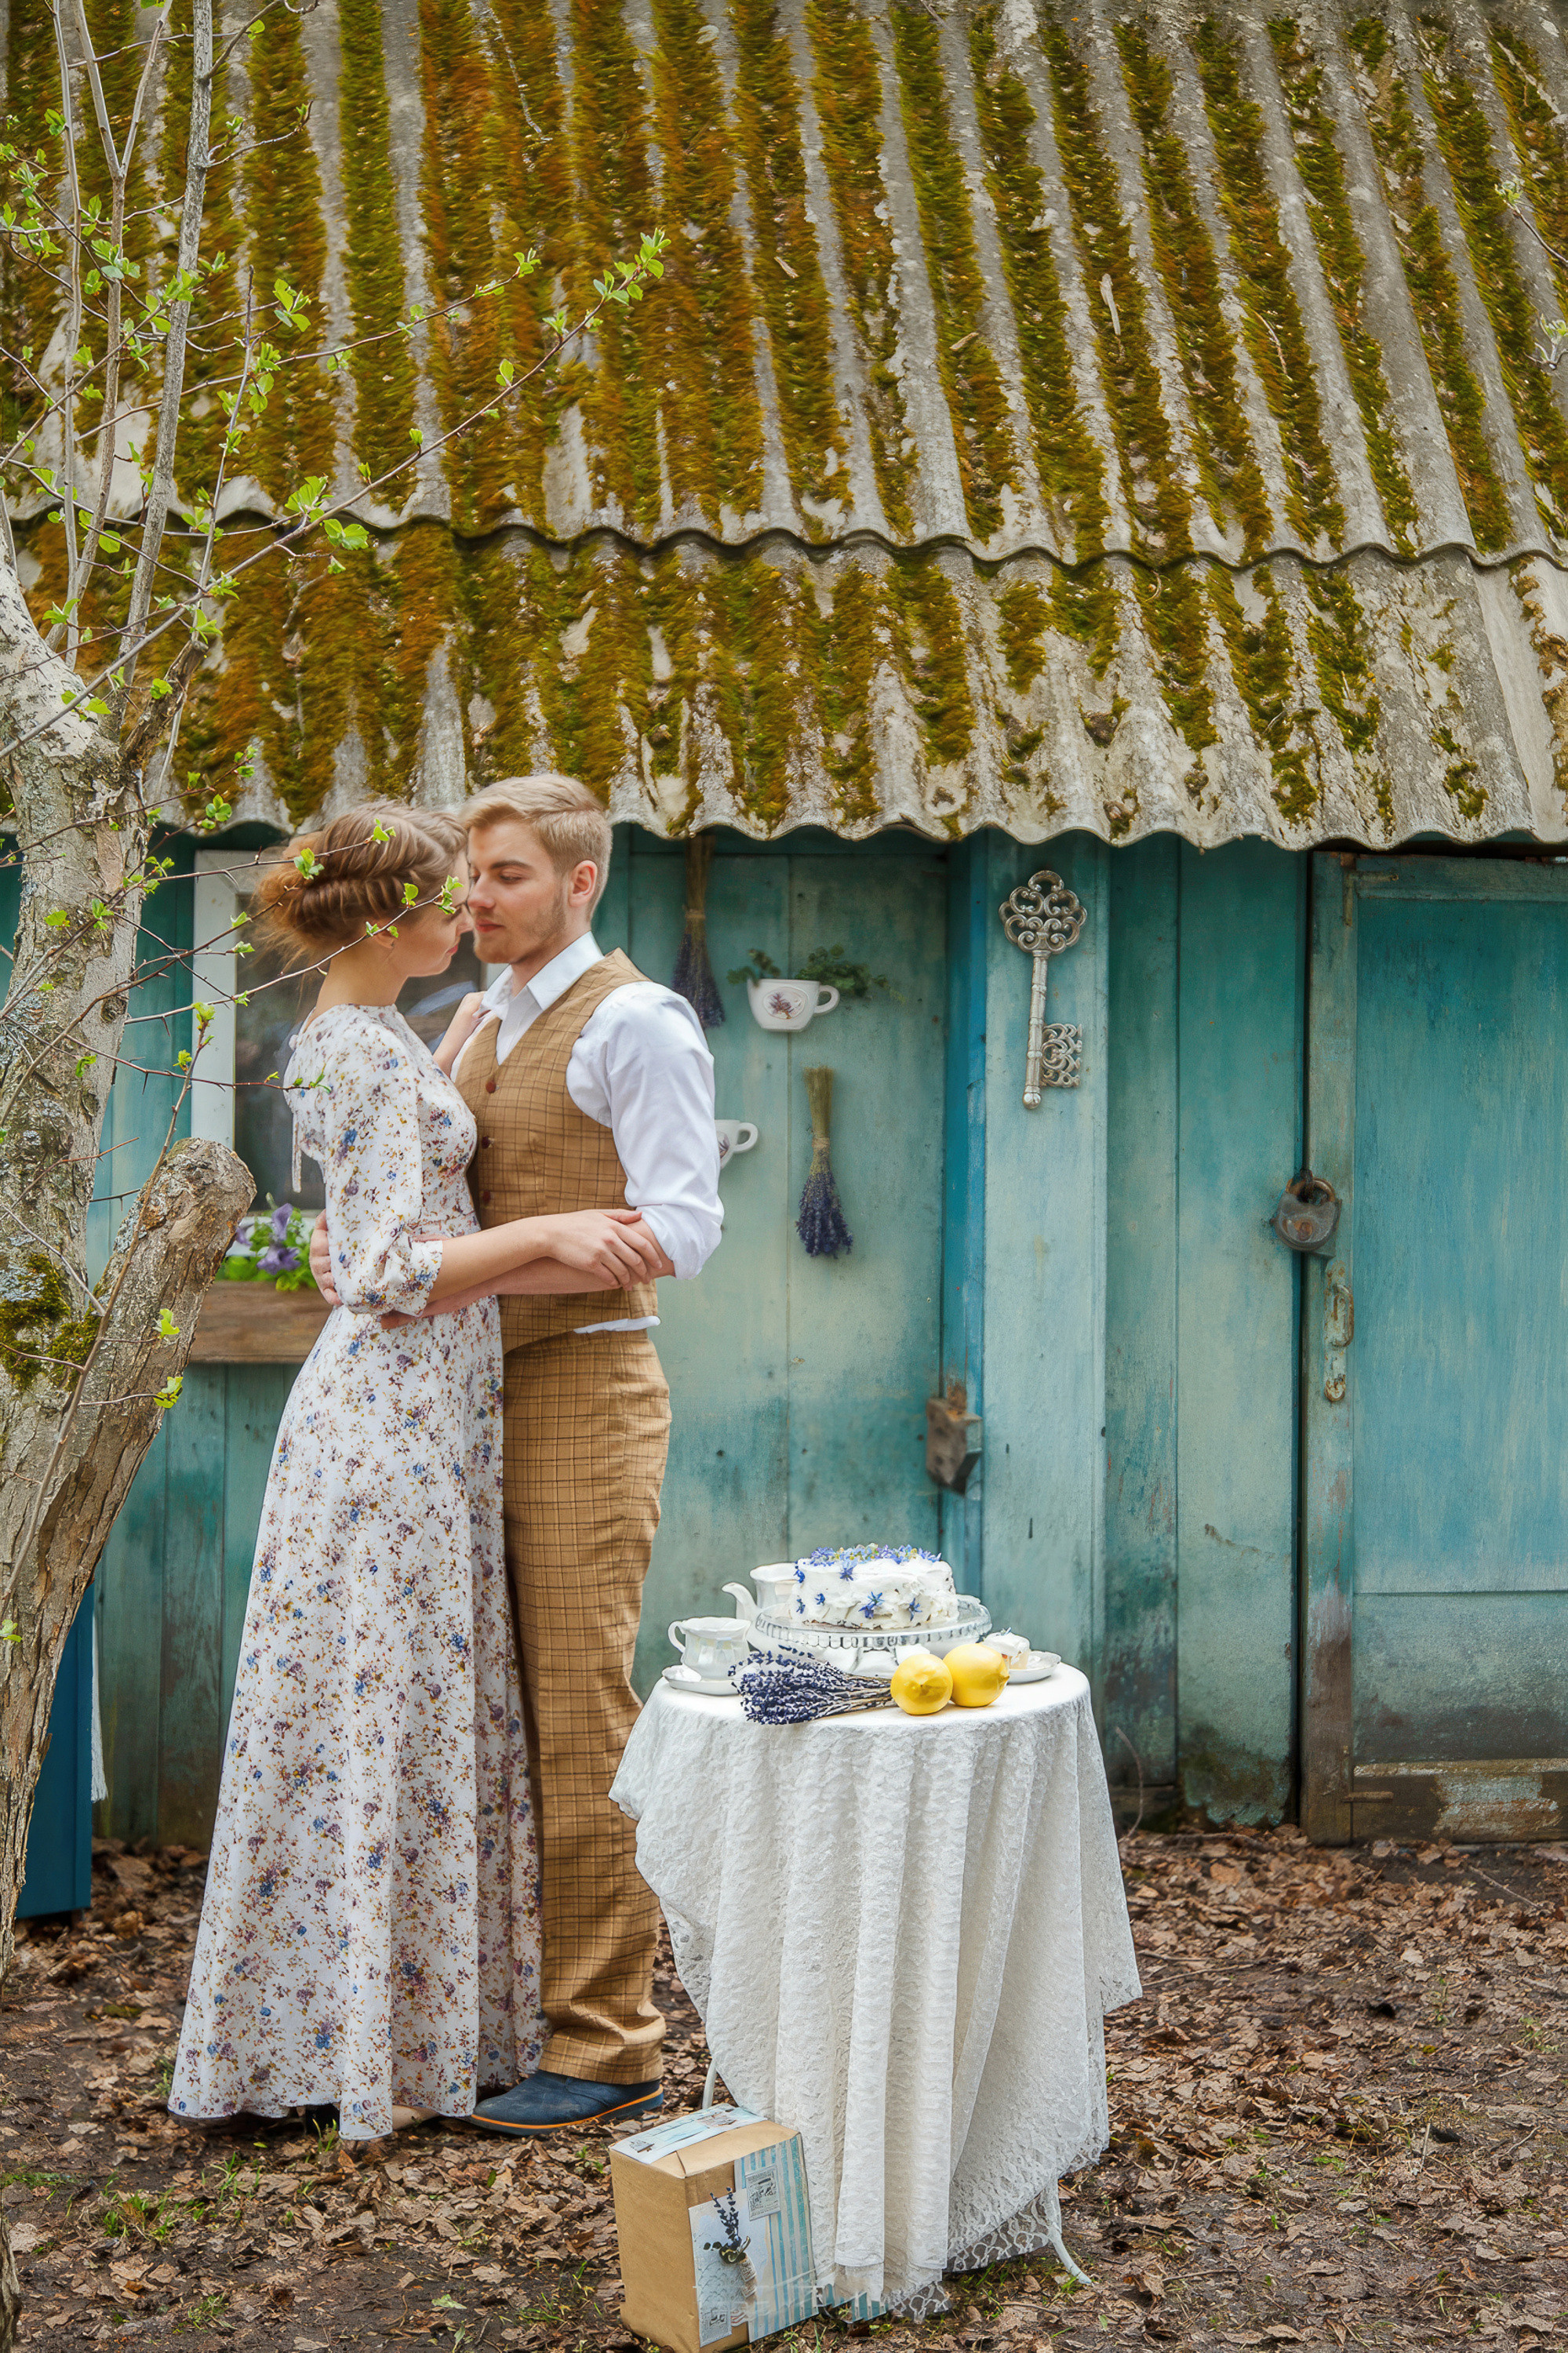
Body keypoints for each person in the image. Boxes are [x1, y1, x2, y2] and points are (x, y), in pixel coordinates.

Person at [170, 802, 667, 2142]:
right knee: (380, 1723)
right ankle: (359, 2044)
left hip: (427, 1407)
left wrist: (451, 1061)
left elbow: (384, 1197)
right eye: (454, 896)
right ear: (390, 920)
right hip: (390, 1418)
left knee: (403, 1724)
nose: (473, 917)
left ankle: (399, 2028)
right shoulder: (357, 1053)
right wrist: (553, 1230)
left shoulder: (377, 1036)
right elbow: (391, 1268)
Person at [311, 776, 722, 2136]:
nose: (473, 900)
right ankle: (500, 2014)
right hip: (461, 1405)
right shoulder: (477, 1019)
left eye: (503, 878)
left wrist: (551, 1253)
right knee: (493, 1719)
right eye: (468, 877)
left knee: (576, 1716)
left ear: (581, 883)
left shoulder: (638, 1023)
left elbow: (685, 1226)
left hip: (582, 1386)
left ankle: (609, 2042)